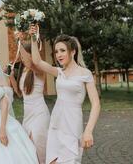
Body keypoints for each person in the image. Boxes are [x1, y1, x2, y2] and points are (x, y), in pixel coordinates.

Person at [29, 26, 101, 164]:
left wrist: (88, 131)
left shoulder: (85, 74)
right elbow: (37, 61)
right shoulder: (59, 72)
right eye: (56, 52)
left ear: (73, 51)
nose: (58, 55)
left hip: (73, 125)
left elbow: (96, 104)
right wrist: (33, 38)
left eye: (62, 50)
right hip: (56, 124)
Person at [9, 42, 50, 164]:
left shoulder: (39, 69)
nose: (22, 58)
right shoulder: (23, 72)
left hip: (39, 112)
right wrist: (11, 77)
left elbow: (29, 62)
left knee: (39, 144)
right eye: (21, 56)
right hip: (28, 114)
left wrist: (19, 42)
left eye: (24, 55)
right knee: (29, 146)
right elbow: (20, 94)